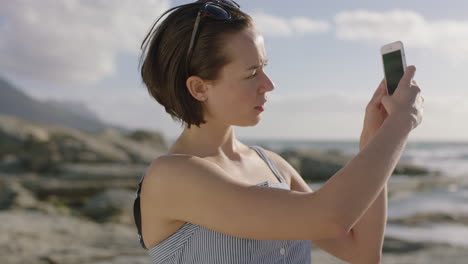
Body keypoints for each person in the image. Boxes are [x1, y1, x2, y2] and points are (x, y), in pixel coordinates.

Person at [133, 0, 424, 263]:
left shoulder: (273, 167)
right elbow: (331, 216)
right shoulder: (170, 177)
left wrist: (373, 138)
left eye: (264, 67)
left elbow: (362, 251)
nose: (269, 84)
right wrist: (401, 124)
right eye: (251, 73)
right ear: (199, 88)